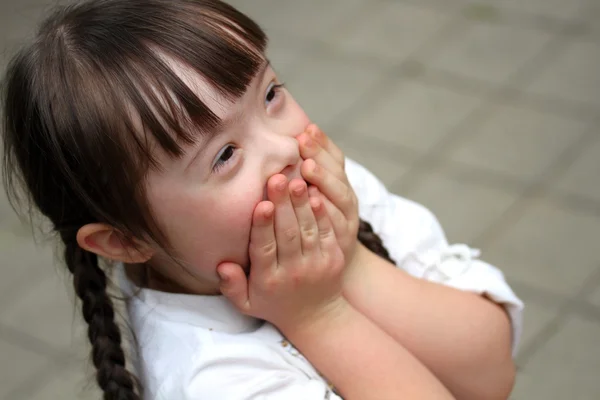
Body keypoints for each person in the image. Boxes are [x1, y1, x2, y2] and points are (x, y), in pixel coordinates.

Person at [1, 0, 523, 399]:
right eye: (225, 155)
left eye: (271, 95)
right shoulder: (214, 378)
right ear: (124, 239)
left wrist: (351, 263)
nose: (284, 150)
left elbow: (493, 370)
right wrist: (319, 317)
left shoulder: (317, 196)